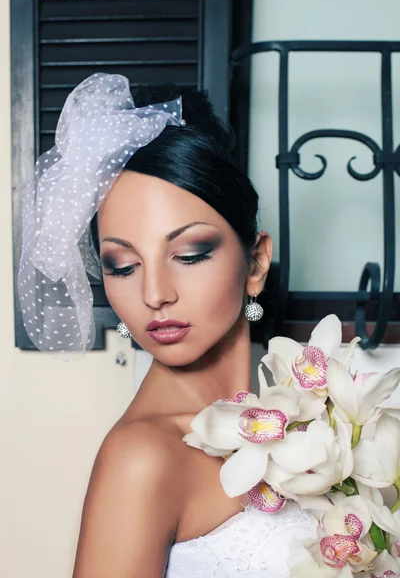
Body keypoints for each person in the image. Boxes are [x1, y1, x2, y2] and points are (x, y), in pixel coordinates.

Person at [18, 74, 316, 578]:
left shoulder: (310, 418)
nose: (155, 293)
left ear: (256, 263)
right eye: (122, 265)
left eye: (189, 254)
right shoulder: (142, 460)